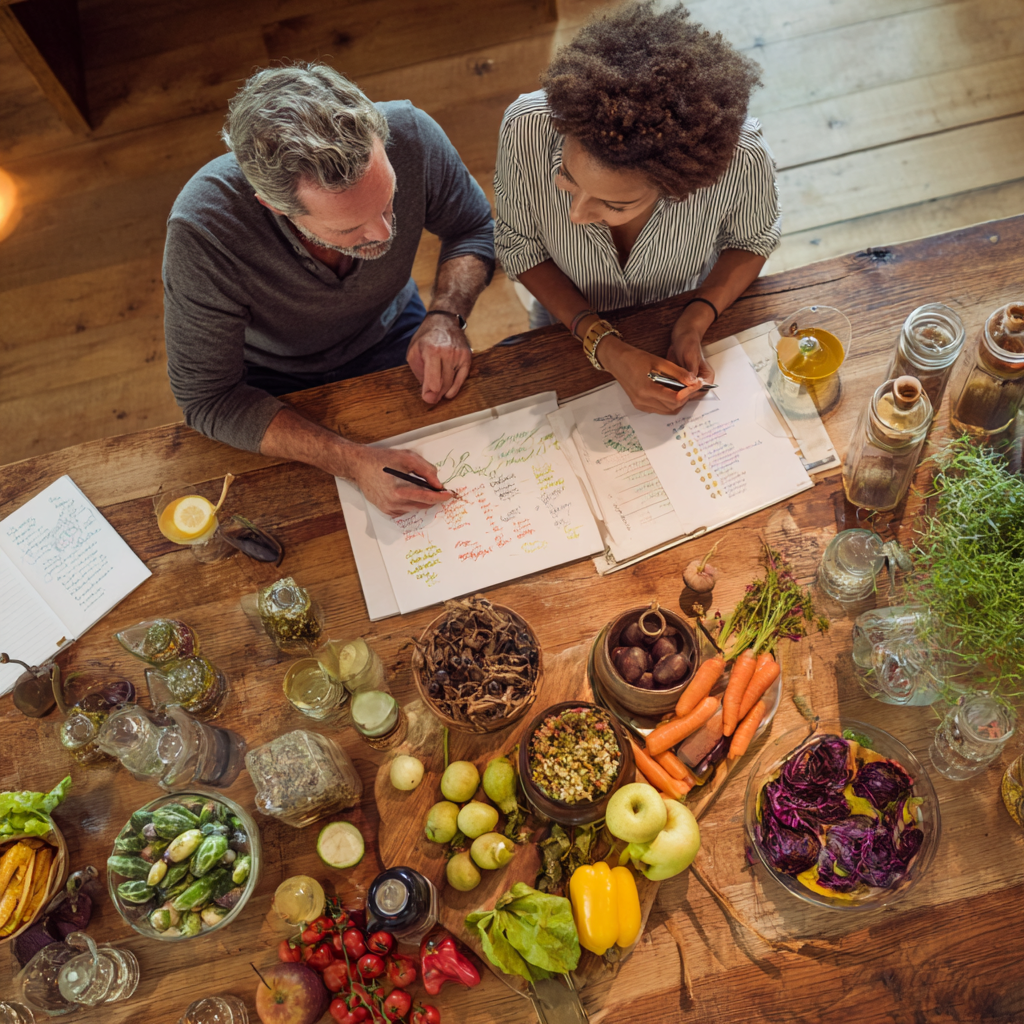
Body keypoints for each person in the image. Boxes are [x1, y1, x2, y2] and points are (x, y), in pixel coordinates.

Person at [163, 63, 495, 515]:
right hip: (271, 383)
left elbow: (473, 226)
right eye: (350, 226)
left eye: (389, 199)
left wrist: (445, 315)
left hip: (394, 330)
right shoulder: (204, 230)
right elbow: (208, 398)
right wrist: (352, 462)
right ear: (274, 206)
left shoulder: (412, 135)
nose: (383, 233)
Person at [494, 0, 780, 415]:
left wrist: (695, 318)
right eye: (567, 180)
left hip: (681, 309)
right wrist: (602, 344)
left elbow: (752, 240)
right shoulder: (526, 130)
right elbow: (520, 246)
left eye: (613, 203)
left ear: (680, 186)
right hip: (564, 320)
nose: (576, 215)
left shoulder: (742, 158)